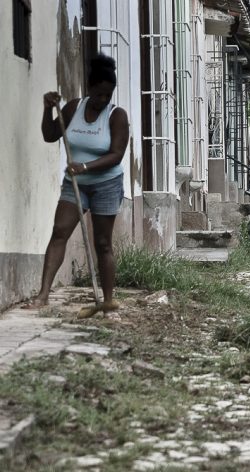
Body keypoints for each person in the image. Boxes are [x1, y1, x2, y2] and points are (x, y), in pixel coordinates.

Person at [23, 54, 129, 312]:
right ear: (90, 89)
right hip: (75, 184)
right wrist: (48, 108)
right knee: (59, 232)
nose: (104, 100)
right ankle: (43, 295)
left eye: (109, 95)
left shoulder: (117, 116)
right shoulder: (73, 108)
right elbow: (50, 135)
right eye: (99, 94)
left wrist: (84, 166)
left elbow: (116, 156)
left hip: (106, 184)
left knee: (102, 243)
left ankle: (107, 301)